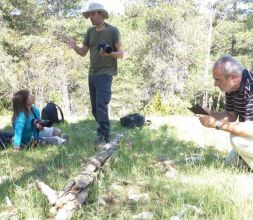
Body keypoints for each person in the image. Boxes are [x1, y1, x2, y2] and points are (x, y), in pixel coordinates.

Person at [68, 2, 124, 144]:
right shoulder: (90, 32)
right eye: (89, 15)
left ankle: (104, 137)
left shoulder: (113, 31)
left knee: (101, 105)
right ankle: (104, 131)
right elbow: (83, 52)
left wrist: (107, 54)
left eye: (92, 14)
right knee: (95, 109)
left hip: (105, 74)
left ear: (101, 14)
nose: (90, 17)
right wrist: (75, 47)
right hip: (92, 74)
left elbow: (120, 54)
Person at [197, 55, 253, 170]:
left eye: (218, 80)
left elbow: (250, 130)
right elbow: (231, 116)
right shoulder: (232, 88)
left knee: (236, 139)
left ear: (233, 77)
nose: (215, 84)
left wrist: (215, 124)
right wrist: (211, 113)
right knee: (229, 164)